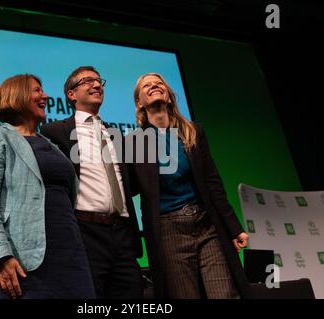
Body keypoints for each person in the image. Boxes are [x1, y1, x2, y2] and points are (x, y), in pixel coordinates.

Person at [0, 74, 95, 299]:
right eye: (37, 91)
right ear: (17, 95)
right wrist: (0, 257)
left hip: (69, 258)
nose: (45, 96)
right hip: (20, 261)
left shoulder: (52, 146)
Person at [129, 72, 252, 299]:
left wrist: (233, 228)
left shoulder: (193, 132)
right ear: (139, 102)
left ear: (168, 97)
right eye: (148, 85)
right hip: (168, 230)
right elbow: (130, 188)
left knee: (224, 294)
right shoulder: (135, 143)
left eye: (159, 84)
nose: (155, 86)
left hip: (206, 225)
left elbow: (212, 183)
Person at [41, 66, 143, 298]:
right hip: (85, 232)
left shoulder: (116, 134)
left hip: (123, 234)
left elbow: (130, 184)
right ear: (71, 94)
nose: (97, 85)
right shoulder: (54, 131)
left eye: (99, 81)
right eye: (88, 81)